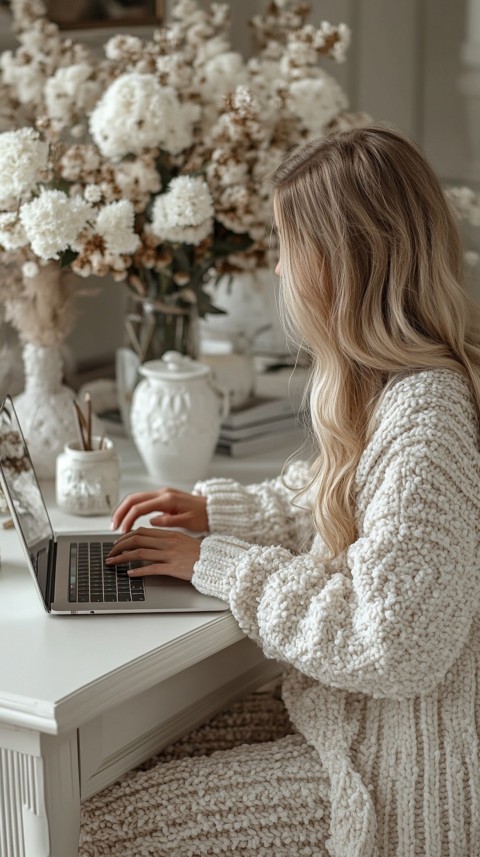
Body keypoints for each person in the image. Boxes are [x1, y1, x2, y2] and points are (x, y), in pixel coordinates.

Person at [80, 125, 480, 856]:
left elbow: (393, 642)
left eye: (286, 246)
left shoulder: (430, 418)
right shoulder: (399, 390)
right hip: (344, 726)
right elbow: (342, 501)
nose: (280, 271)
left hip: (385, 779)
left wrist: (219, 561)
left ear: (339, 264)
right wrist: (218, 512)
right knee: (109, 765)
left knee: (87, 827)